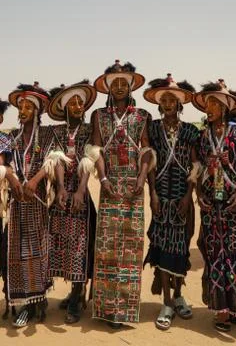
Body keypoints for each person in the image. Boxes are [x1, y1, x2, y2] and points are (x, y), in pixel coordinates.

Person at [86, 60, 156, 327]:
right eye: (113, 83)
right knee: (107, 249)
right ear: (107, 87)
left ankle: (124, 310)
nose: (117, 87)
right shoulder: (99, 117)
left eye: (122, 83)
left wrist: (141, 177)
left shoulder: (142, 116)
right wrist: (102, 178)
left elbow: (147, 150)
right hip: (110, 186)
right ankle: (106, 309)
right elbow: (96, 149)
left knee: (129, 249)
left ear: (129, 87)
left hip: (133, 191)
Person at [143, 74, 200, 330]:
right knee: (163, 248)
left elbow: (196, 164)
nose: (167, 103)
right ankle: (166, 301)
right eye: (164, 99)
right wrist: (153, 194)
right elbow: (151, 162)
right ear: (159, 103)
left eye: (172, 99)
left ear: (179, 104)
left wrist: (189, 195)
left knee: (180, 249)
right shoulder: (153, 128)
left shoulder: (190, 131)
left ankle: (178, 295)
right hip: (161, 199)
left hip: (181, 200)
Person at [194, 79, 236, 332]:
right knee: (215, 256)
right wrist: (198, 195)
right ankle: (221, 310)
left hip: (232, 206)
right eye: (208, 103)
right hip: (210, 206)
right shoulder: (202, 136)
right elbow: (197, 169)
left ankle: (233, 308)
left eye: (215, 103)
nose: (210, 107)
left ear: (226, 107)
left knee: (233, 257)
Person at [47, 80, 97, 323]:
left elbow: (89, 159)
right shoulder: (57, 132)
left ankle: (77, 296)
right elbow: (55, 158)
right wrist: (59, 190)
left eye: (80, 101)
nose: (77, 105)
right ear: (65, 107)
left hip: (80, 197)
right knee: (62, 246)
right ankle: (73, 290)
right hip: (60, 196)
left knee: (79, 247)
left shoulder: (89, 130)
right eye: (72, 102)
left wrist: (79, 190)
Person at [7, 82, 56, 327]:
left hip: (37, 206)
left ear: (37, 112)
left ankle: (39, 300)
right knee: (18, 253)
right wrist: (13, 180)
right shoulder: (11, 138)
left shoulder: (47, 135)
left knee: (38, 252)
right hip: (17, 205)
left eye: (28, 107)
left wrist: (35, 180)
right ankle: (23, 304)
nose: (23, 110)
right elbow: (3, 164)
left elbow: (54, 160)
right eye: (21, 106)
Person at [0, 99, 23, 319]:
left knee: (5, 251)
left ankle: (11, 300)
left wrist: (7, 173)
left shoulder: (4, 139)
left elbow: (5, 166)